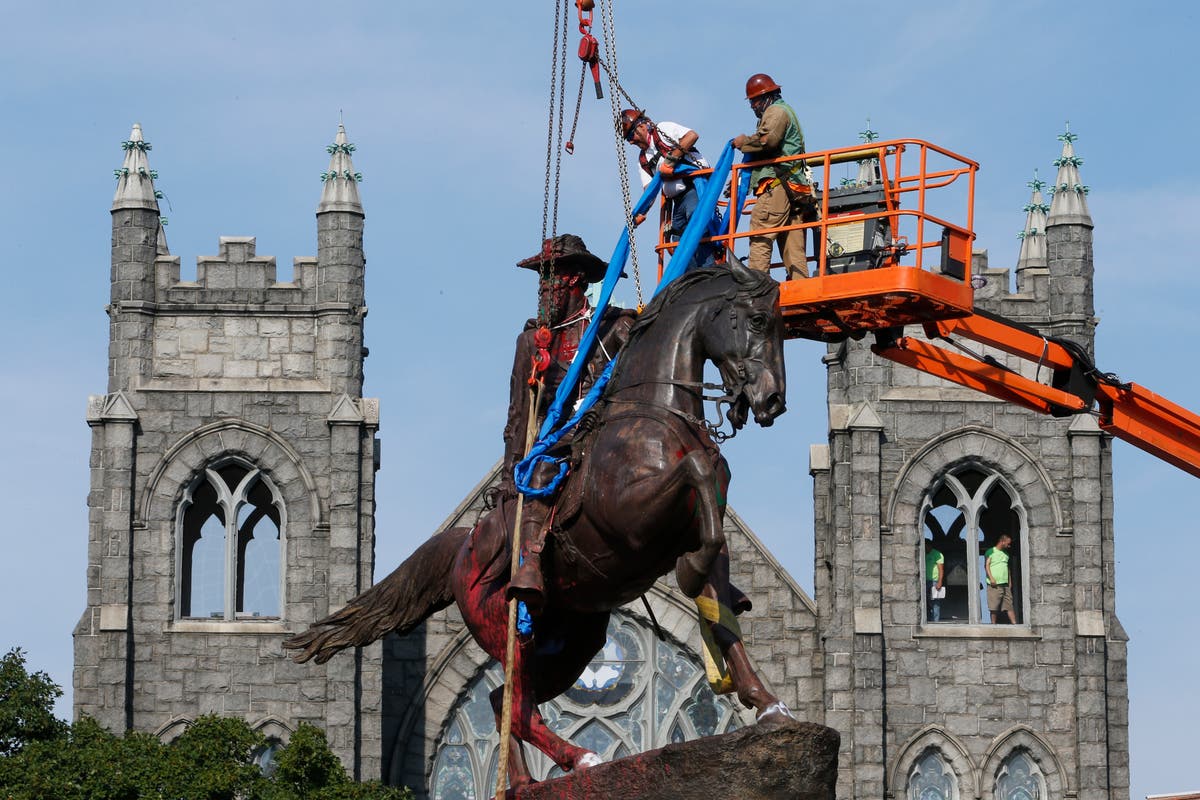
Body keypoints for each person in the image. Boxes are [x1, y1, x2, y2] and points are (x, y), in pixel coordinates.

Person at [502, 234, 635, 613]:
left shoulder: (614, 328)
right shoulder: (531, 342)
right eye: (541, 281)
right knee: (540, 475)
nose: (542, 290)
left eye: (550, 279)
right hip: (558, 444)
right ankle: (529, 565)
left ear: (576, 280)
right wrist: (510, 474)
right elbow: (518, 416)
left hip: (609, 433)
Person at [732, 73, 815, 280]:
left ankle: (755, 289)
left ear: (767, 96)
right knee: (791, 242)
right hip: (790, 189)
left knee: (760, 234)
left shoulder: (776, 111)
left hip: (778, 187)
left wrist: (743, 142)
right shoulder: (782, 110)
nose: (752, 106)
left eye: (754, 100)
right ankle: (801, 288)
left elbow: (767, 141)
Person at [620, 109, 716, 269]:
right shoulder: (643, 160)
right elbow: (649, 190)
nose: (631, 142)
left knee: (695, 220)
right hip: (677, 201)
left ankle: (711, 270)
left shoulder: (663, 130)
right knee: (677, 239)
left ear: (642, 126)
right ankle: (695, 276)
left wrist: (671, 159)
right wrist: (641, 213)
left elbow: (692, 136)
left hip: (694, 187)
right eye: (628, 139)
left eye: (631, 136)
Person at [985, 533, 1017, 624]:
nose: (1009, 545)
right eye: (1008, 543)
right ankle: (993, 625)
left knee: (1009, 606)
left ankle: (1014, 624)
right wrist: (991, 578)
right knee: (994, 607)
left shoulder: (1006, 554)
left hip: (1005, 585)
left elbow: (1007, 568)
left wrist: (1009, 581)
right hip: (994, 585)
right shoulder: (991, 551)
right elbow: (986, 565)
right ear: (1002, 542)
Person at [925, 542, 945, 622]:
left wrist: (939, 581)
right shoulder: (922, 553)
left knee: (935, 603)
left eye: (926, 546)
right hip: (924, 581)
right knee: (925, 602)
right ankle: (928, 620)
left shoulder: (937, 554)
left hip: (934, 581)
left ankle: (935, 622)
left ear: (929, 546)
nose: (925, 548)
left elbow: (941, 569)